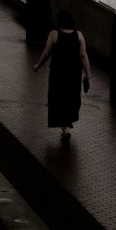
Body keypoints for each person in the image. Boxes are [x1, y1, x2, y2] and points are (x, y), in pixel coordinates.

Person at [33, 8, 91, 142]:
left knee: (57, 99)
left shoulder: (54, 34)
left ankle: (65, 129)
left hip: (58, 73)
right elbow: (83, 55)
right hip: (73, 73)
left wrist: (38, 65)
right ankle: (67, 128)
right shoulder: (79, 35)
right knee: (71, 99)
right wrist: (88, 75)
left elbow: (46, 53)